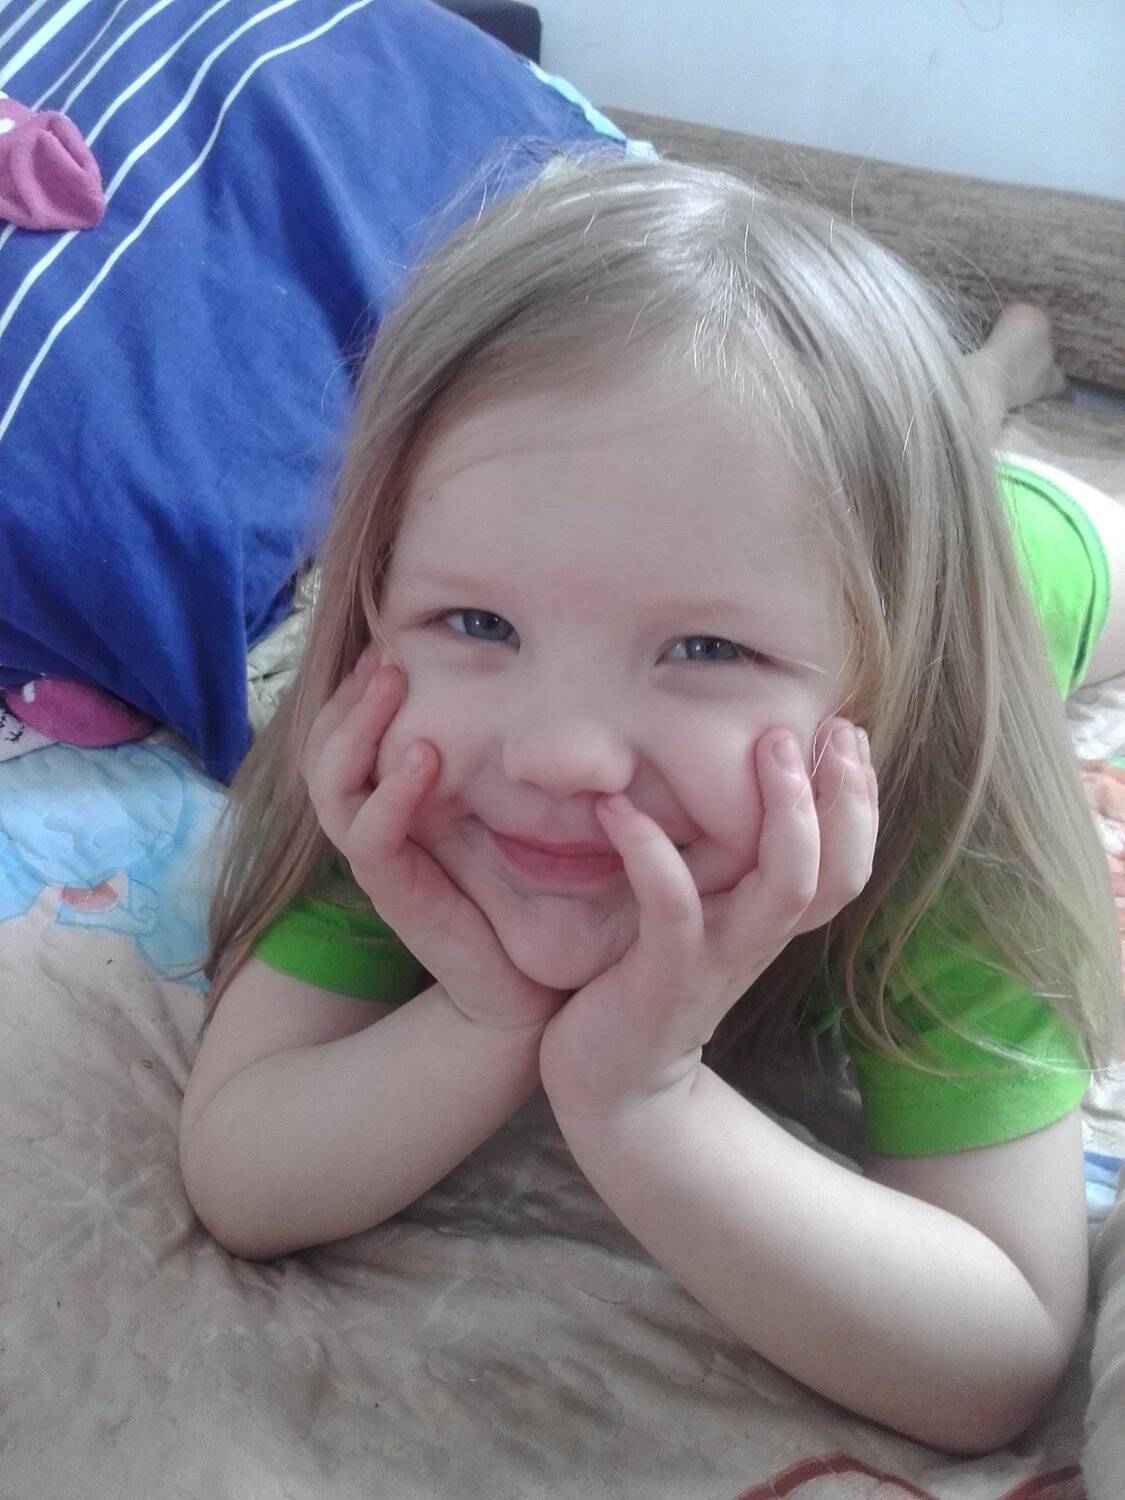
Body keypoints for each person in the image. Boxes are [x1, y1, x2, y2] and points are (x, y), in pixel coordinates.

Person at [178, 154, 1124, 1454]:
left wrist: (643, 1100)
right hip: (868, 548)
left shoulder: (945, 815)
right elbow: (241, 1176)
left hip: (1030, 559)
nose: (561, 756)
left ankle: (996, 383)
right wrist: (486, 1011)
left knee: (979, 497)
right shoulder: (424, 778)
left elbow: (997, 1355)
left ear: (885, 693)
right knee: (913, 452)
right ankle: (984, 385)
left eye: (708, 649)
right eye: (477, 621)